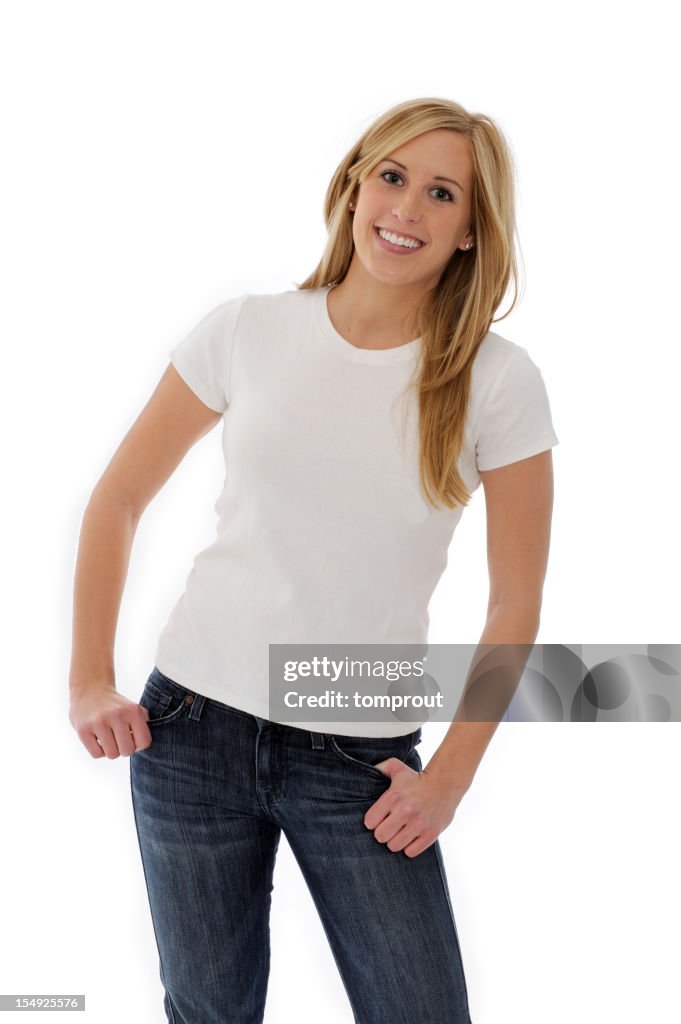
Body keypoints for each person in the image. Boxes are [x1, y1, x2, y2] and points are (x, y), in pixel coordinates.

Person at [68, 96, 559, 1024]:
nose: (406, 209)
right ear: (351, 186)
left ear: (468, 232)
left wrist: (449, 777)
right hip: (188, 729)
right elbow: (118, 500)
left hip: (359, 757)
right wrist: (90, 679)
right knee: (208, 1011)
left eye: (441, 193)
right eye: (391, 177)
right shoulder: (246, 330)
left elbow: (513, 606)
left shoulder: (498, 382)